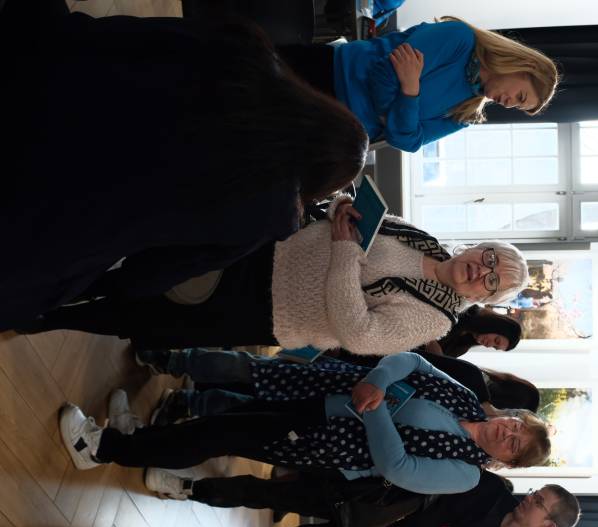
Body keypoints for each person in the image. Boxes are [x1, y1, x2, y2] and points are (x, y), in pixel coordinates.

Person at [0, 0, 368, 331]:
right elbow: (154, 273)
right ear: (321, 178)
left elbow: (129, 36)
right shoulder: (271, 214)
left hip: (40, 80)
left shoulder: (249, 53)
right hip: (40, 218)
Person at [31, 199, 529, 353]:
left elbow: (358, 335)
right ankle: (46, 288)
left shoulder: (436, 318)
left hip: (264, 309)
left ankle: (44, 318)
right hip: (263, 252)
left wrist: (343, 252)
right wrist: (341, 209)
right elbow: (346, 220)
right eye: (489, 258)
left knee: (144, 315)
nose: (480, 270)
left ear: (487, 297)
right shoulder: (424, 239)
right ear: (480, 246)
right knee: (147, 268)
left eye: (491, 281)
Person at [60, 352, 551, 495]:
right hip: (325, 397)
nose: (507, 432)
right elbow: (414, 363)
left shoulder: (465, 475)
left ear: (506, 462)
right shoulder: (467, 398)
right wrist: (378, 380)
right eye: (515, 424)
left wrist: (375, 405)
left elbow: (398, 467)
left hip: (323, 439)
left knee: (218, 434)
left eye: (514, 444)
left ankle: (103, 449)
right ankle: (133, 438)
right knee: (228, 418)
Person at [279, 15, 559, 151]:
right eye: (520, 97)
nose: (509, 105)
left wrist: (410, 88)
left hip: (333, 126)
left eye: (517, 107)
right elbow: (383, 74)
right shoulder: (459, 38)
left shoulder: (466, 115)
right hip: (325, 74)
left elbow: (407, 142)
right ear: (523, 67)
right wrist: (393, 117)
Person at [133, 347, 538, 425]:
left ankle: (184, 390)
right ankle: (177, 369)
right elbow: (412, 359)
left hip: (349, 397)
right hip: (351, 381)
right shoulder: (469, 385)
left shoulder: (471, 405)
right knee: (256, 375)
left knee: (257, 390)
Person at [157, 471, 581, 527]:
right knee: (270, 491)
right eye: (535, 493)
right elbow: (431, 478)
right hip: (369, 501)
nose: (529, 499)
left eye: (538, 502)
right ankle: (191, 488)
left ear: (547, 526)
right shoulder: (491, 490)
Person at [424, 304, 522, 357]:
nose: (489, 345)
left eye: (494, 347)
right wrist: (430, 341)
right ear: (497, 325)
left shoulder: (462, 348)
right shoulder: (462, 307)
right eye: (496, 340)